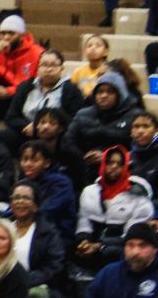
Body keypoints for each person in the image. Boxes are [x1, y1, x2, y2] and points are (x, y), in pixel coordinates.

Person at [73, 145, 155, 278]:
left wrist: (99, 246)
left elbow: (133, 234)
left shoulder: (138, 195)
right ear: (103, 163)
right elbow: (84, 221)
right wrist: (84, 241)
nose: (114, 166)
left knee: (111, 252)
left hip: (121, 245)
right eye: (110, 162)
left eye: (120, 164)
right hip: (93, 241)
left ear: (126, 167)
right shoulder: (90, 192)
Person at [2, 49, 83, 152]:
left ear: (62, 68)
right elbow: (11, 117)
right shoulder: (26, 87)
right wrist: (27, 126)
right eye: (44, 65)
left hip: (56, 137)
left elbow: (74, 121)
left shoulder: (71, 90)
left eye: (53, 65)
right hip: (27, 133)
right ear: (38, 67)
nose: (48, 69)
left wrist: (44, 127)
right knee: (3, 137)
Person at [69, 73, 144, 171]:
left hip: (124, 169)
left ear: (120, 95)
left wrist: (108, 158)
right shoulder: (83, 114)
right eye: (100, 92)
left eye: (110, 92)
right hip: (86, 167)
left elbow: (142, 148)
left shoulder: (135, 116)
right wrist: (84, 157)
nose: (104, 96)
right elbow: (68, 141)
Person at [0, 14, 44, 116]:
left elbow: (37, 84)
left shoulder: (37, 53)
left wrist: (9, 91)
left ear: (22, 36)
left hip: (26, 98)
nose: (6, 37)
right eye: (2, 33)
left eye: (11, 33)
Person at [85, 221, 158, 297]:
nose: (135, 252)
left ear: (155, 249)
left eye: (143, 246)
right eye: (130, 245)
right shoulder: (108, 273)